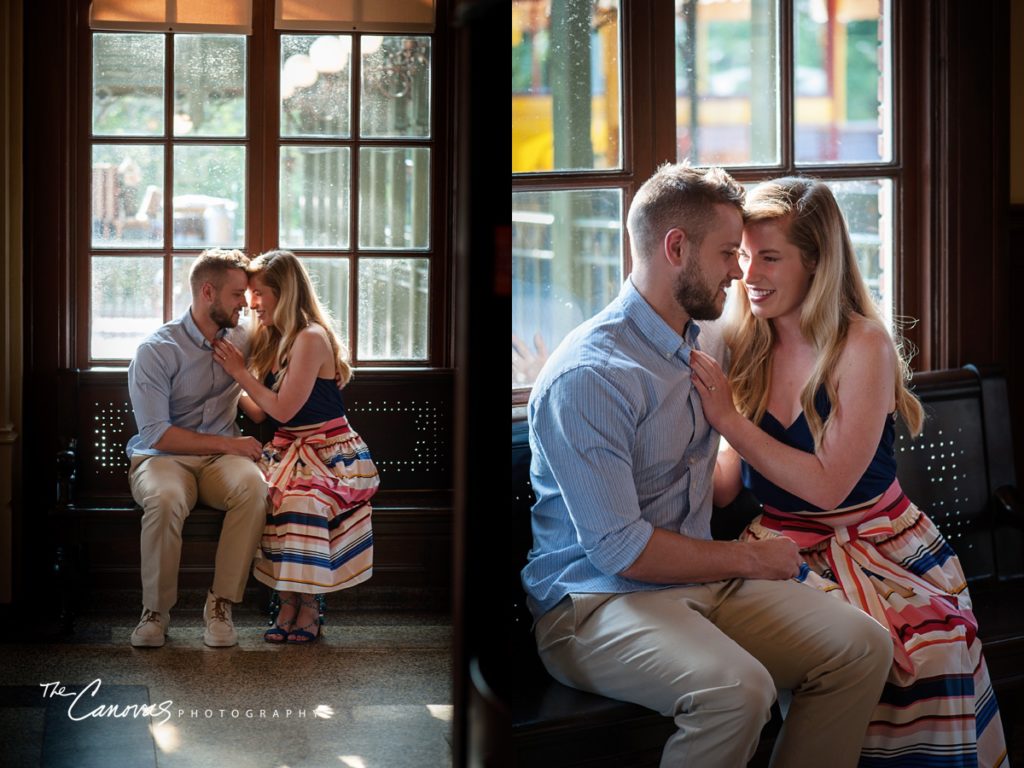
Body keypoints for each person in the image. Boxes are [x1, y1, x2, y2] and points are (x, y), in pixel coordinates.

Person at [523, 162, 894, 768]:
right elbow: (623, 551)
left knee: (862, 646)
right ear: (676, 248)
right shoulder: (590, 376)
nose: (740, 271)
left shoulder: (703, 341)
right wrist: (754, 557)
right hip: (593, 604)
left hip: (698, 584)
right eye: (729, 253)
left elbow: (726, 480)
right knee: (738, 692)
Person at [689, 176, 1009, 767]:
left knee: (931, 656)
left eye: (770, 257)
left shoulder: (863, 344)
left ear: (816, 261)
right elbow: (729, 484)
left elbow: (827, 484)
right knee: (807, 661)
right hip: (781, 546)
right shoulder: (739, 339)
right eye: (743, 256)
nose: (749, 273)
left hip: (883, 544)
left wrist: (727, 420)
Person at [211, 250, 379, 644]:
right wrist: (223, 383)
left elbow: (284, 408)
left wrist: (238, 372)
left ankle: (308, 605)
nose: (252, 303)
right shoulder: (273, 338)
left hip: (328, 450)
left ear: (283, 293)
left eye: (258, 293)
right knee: (267, 498)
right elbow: (258, 412)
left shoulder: (311, 338)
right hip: (288, 449)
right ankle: (286, 598)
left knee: (303, 502)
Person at [126, 248, 269, 648]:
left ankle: (220, 605)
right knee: (165, 498)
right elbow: (157, 434)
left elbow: (258, 404)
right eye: (238, 294)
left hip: (221, 461)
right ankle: (154, 612)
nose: (246, 304)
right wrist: (231, 443)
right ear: (208, 292)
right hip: (163, 459)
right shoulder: (156, 350)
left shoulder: (243, 337)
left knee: (255, 489)